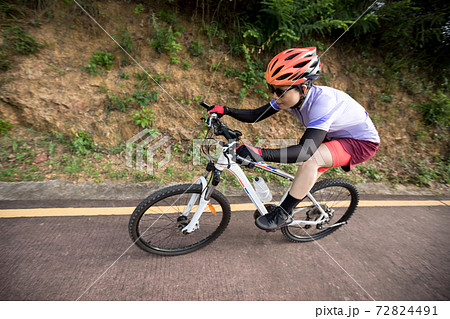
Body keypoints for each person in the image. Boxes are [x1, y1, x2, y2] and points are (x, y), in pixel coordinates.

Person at [206, 47, 380, 232]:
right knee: (307, 169)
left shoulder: (323, 103)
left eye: (279, 92)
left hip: (360, 143)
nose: (275, 96)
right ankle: (300, 201)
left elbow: (304, 151)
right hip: (333, 135)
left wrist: (259, 153)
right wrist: (225, 110)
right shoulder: (291, 97)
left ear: (303, 88)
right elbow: (255, 115)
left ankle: (283, 213)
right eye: (272, 89)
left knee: (311, 159)